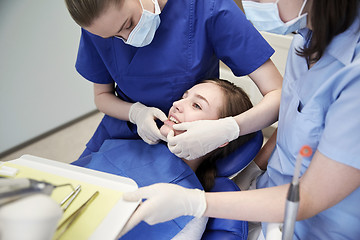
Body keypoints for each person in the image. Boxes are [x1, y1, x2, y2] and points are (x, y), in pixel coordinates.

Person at [120, 0, 360, 239]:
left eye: (196, 104)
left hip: (316, 225)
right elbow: (294, 123)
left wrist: (195, 202)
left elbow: (309, 197)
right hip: (267, 197)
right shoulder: (305, 43)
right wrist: (254, 169)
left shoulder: (353, 77)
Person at [64, 0, 282, 162]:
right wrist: (135, 113)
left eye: (129, 24)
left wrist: (228, 128)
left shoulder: (208, 8)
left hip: (190, 146)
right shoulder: (101, 25)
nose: (127, 40)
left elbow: (279, 93)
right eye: (113, 37)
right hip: (120, 135)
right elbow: (102, 96)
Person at [72, 78, 255, 239]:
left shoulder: (190, 207)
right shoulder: (125, 144)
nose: (176, 103)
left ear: (219, 136)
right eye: (184, 96)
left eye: (196, 105)